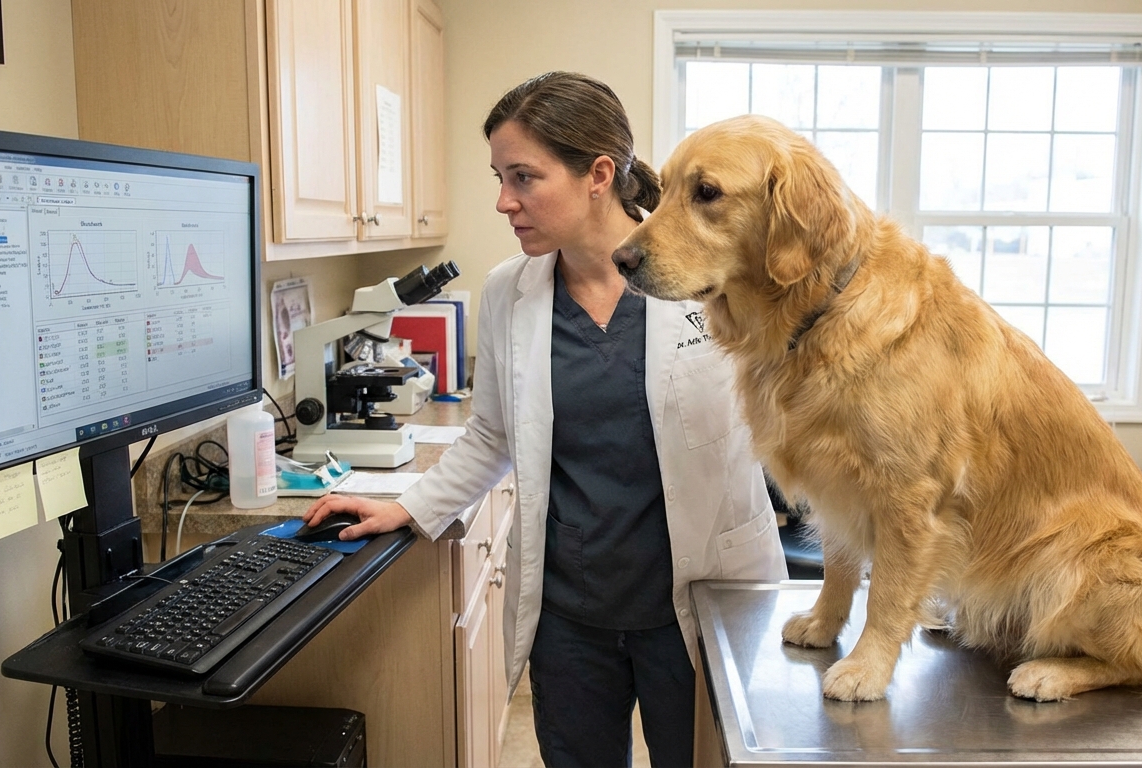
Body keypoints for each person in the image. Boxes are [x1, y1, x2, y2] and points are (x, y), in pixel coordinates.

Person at [303, 71, 786, 767]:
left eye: (524, 177)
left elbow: (790, 399)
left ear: (597, 174)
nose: (505, 201)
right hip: (572, 616)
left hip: (704, 596)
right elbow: (493, 438)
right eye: (501, 177)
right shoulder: (510, 292)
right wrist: (405, 508)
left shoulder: (709, 278)